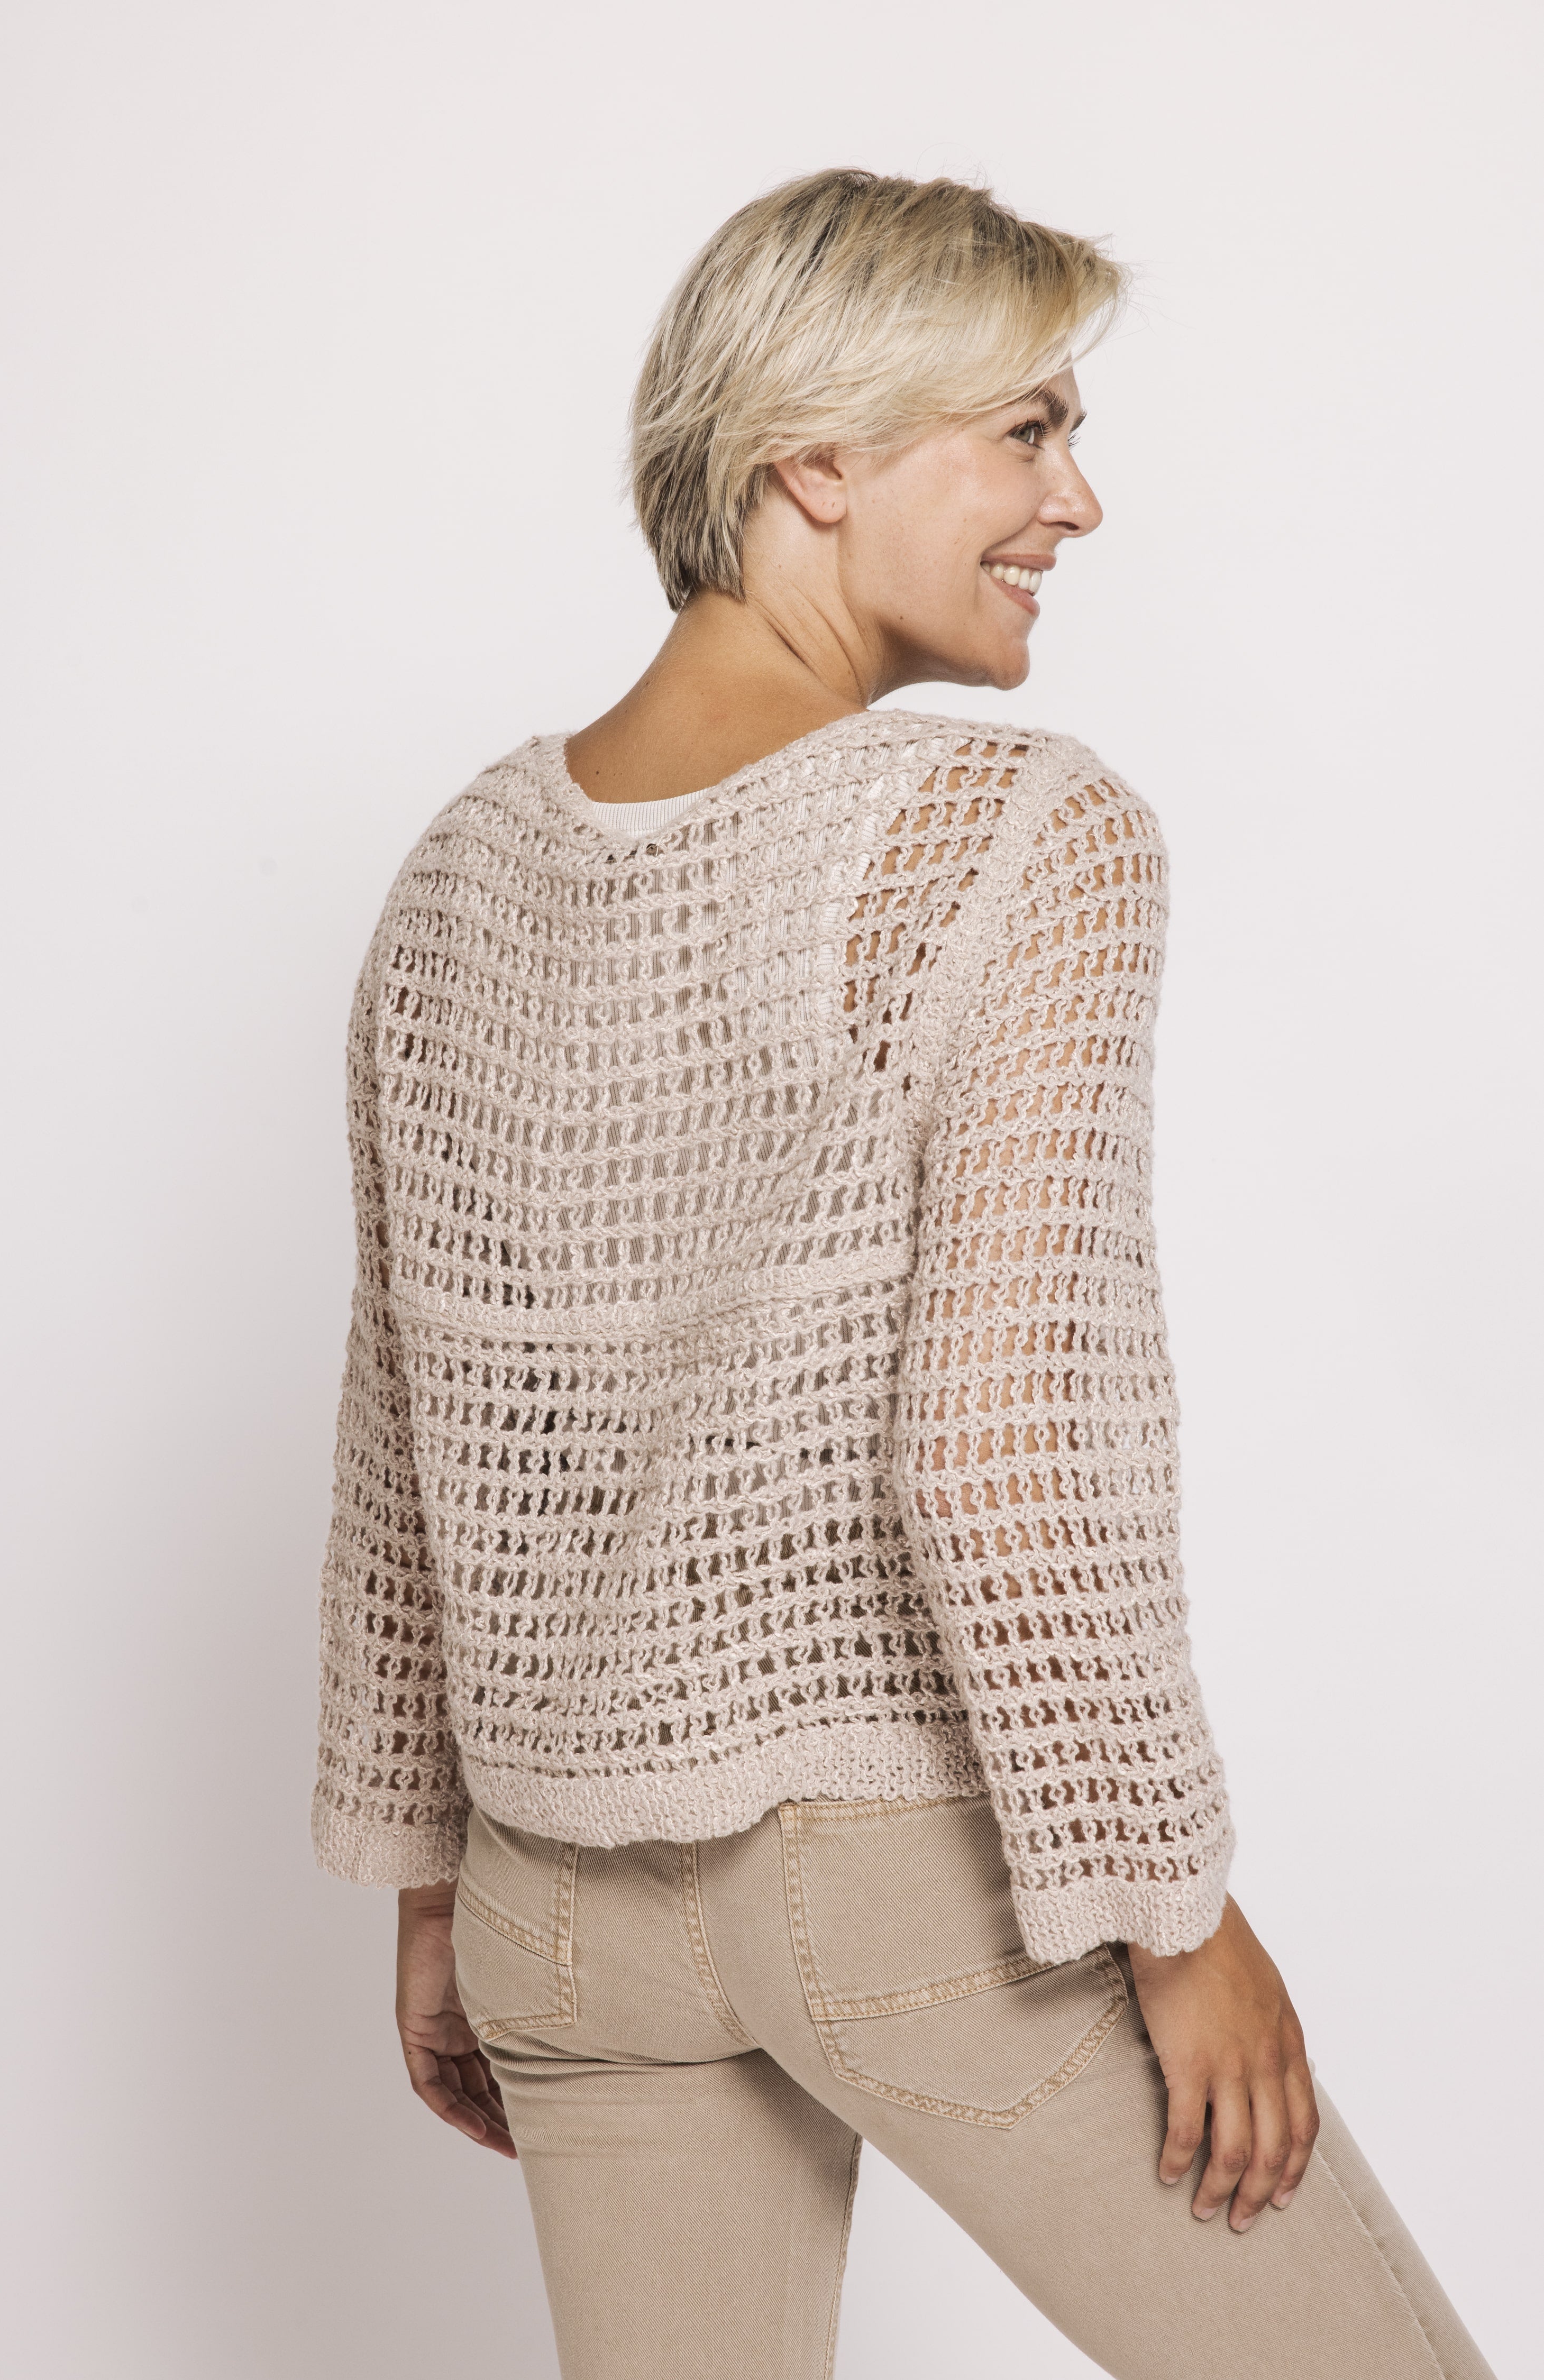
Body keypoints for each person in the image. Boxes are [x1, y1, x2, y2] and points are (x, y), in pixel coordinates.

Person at [313, 170, 1491, 2378]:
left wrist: (436, 1888)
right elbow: (997, 1453)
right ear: (816, 459)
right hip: (917, 1880)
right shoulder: (1009, 832)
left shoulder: (456, 874)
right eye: (1026, 432)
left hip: (556, 1903)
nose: (1079, 502)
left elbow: (409, 1433)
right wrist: (1171, 1915)